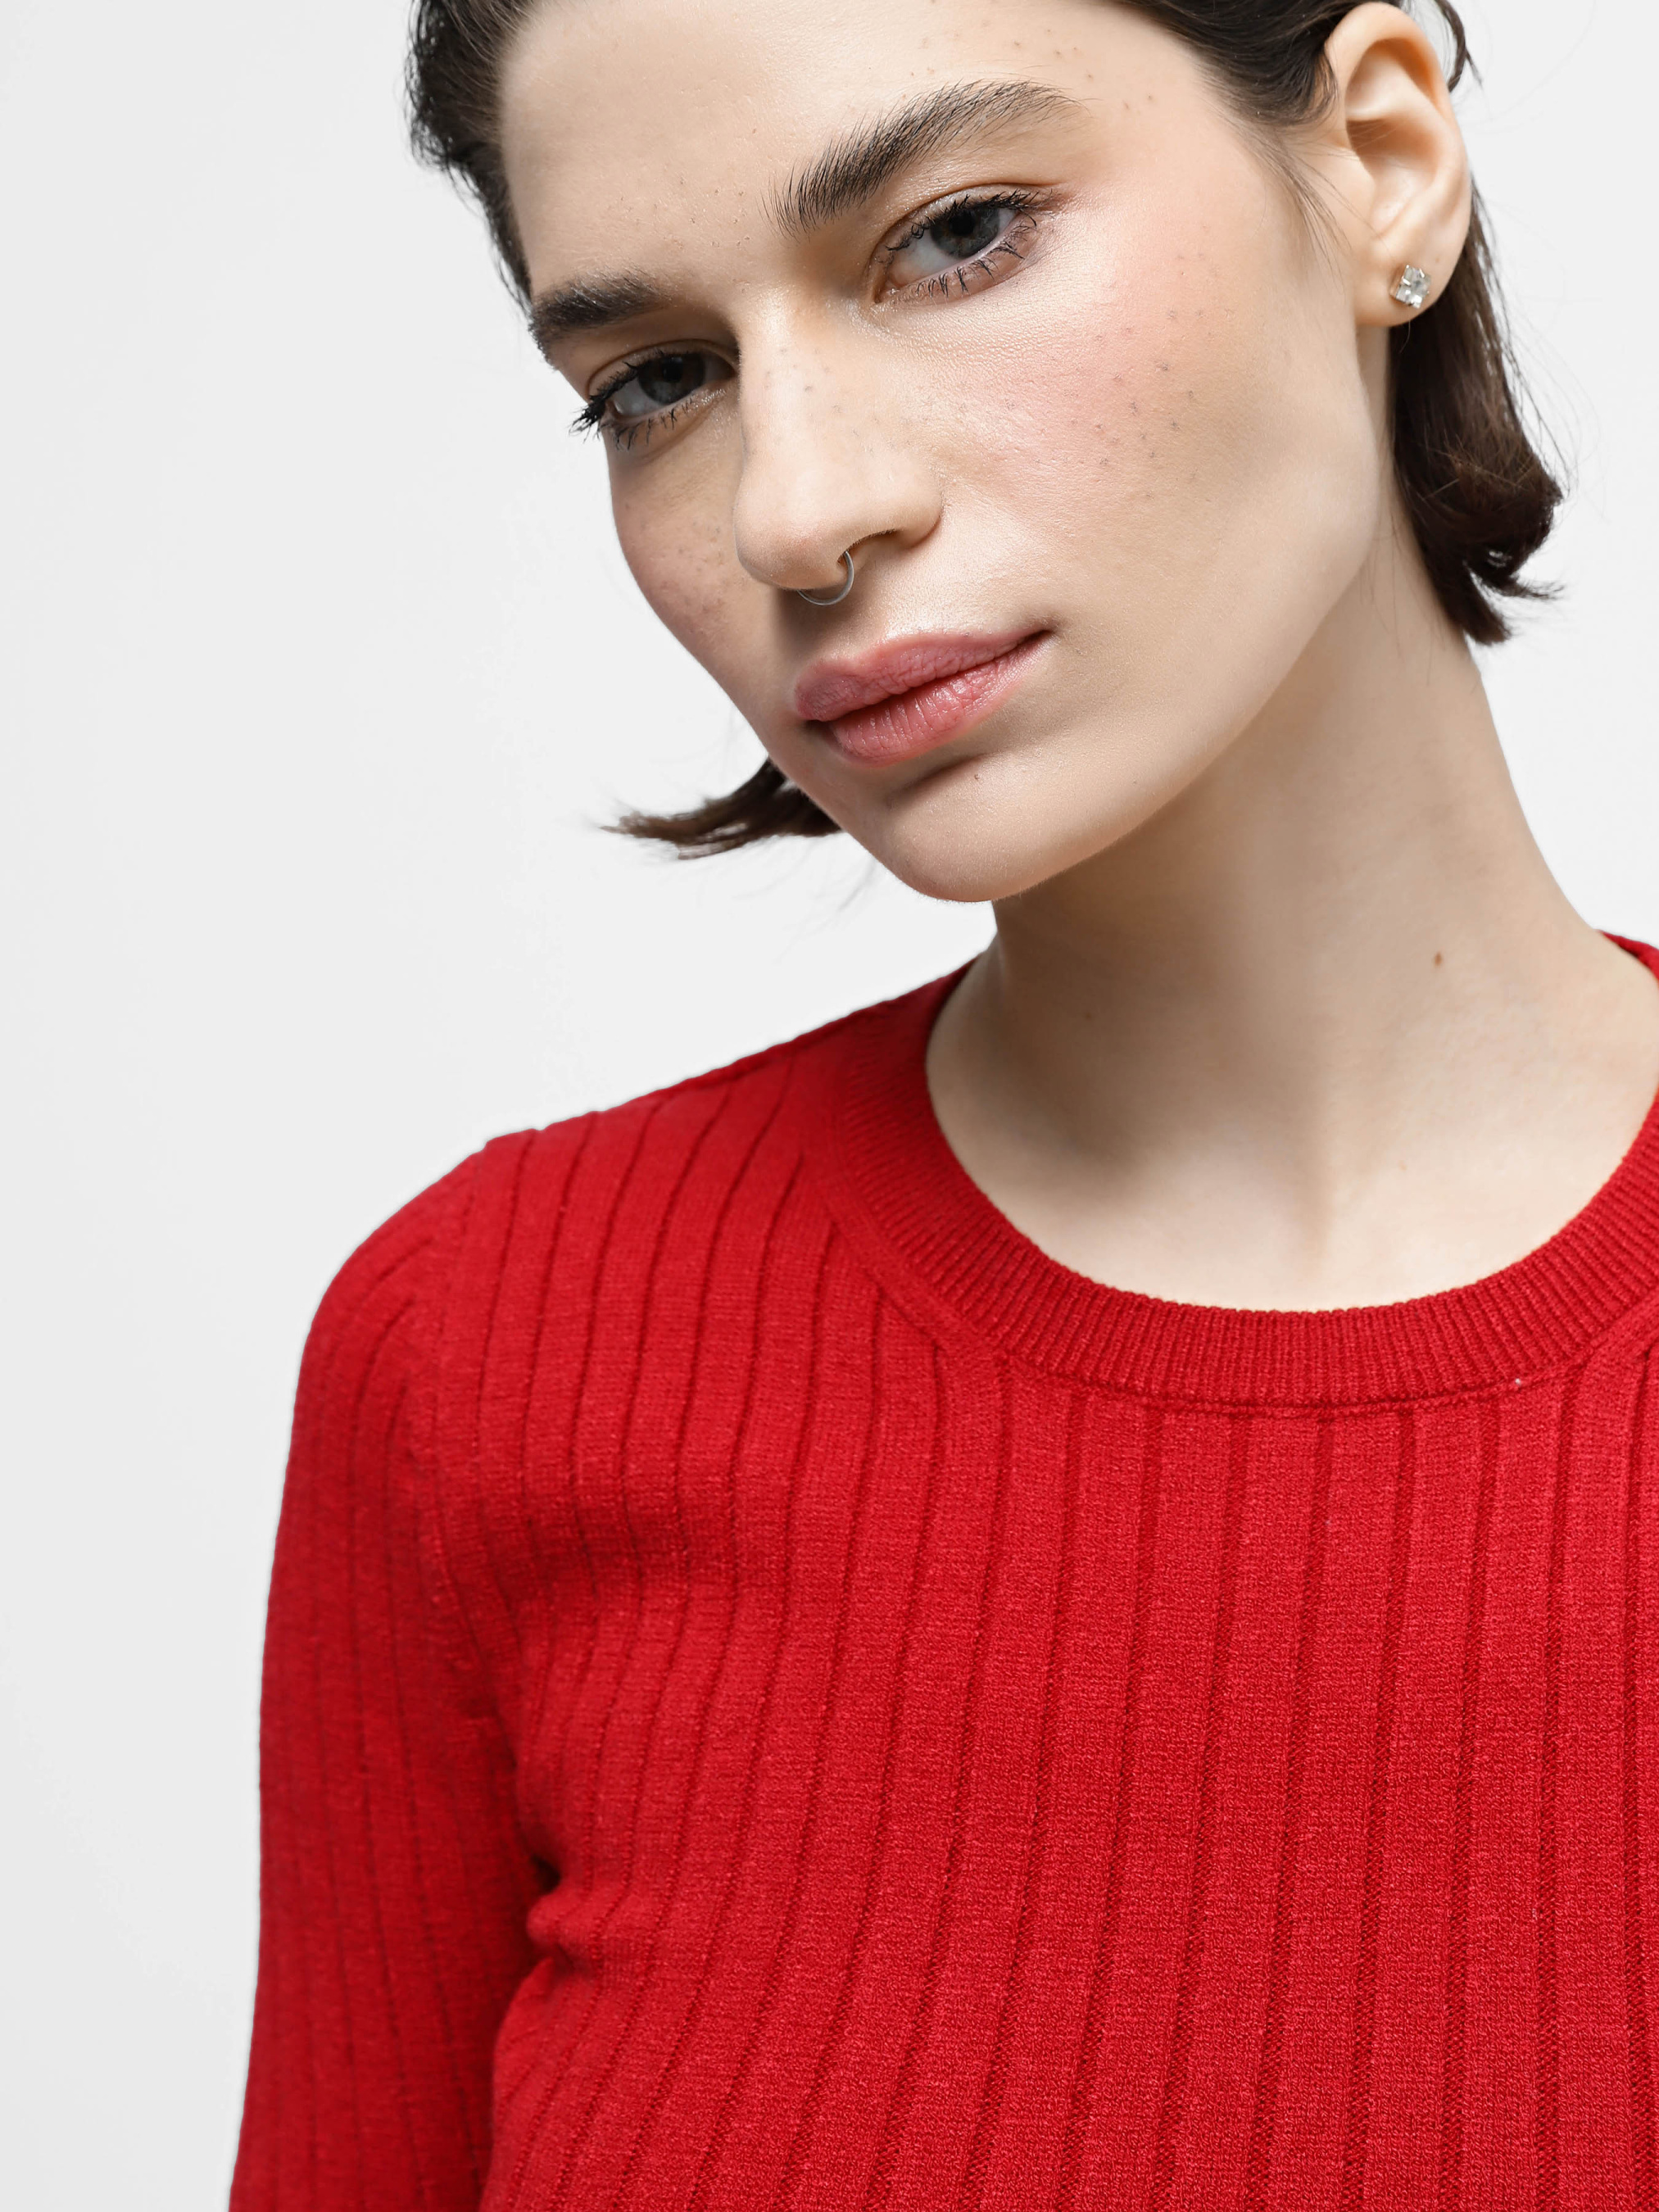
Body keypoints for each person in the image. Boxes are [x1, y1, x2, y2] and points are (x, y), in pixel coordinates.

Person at [230, 1, 1659, 2205]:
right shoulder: (488, 1362)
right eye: (658, 379)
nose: (796, 511)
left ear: (1377, 162)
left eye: (957, 234)